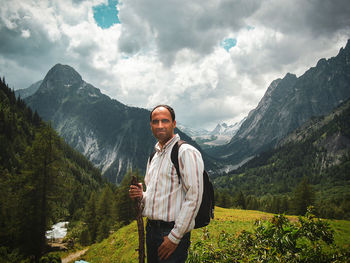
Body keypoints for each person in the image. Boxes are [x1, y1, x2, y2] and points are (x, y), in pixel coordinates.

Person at [129, 105, 204, 263]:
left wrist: (175, 237)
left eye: (165, 121)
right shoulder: (154, 156)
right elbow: (156, 194)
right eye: (155, 122)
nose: (160, 125)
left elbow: (194, 196)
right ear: (150, 125)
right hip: (151, 230)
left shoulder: (185, 152)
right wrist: (142, 195)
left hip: (171, 232)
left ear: (174, 124)